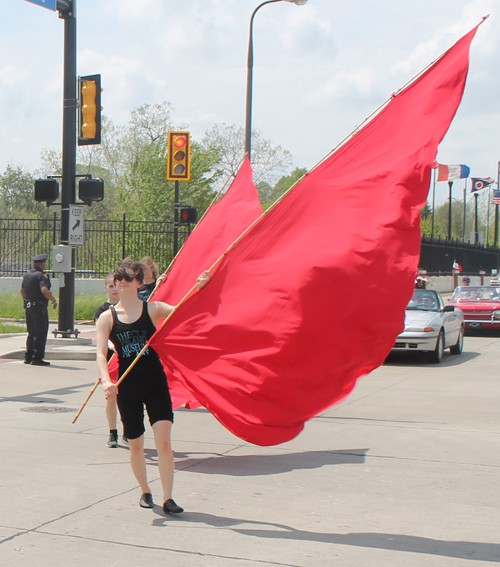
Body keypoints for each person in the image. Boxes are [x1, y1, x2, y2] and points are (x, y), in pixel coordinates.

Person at [96, 258, 210, 514]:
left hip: (155, 382)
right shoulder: (107, 317)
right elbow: (101, 354)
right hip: (128, 387)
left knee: (164, 443)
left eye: (128, 278)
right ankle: (145, 490)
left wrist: (202, 287)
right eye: (119, 278)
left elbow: (185, 309)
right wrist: (106, 379)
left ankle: (168, 498)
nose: (122, 283)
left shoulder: (154, 308)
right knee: (136, 444)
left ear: (139, 282)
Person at [94, 272, 124, 448]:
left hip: (127, 357)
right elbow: (102, 338)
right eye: (110, 285)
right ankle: (112, 432)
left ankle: (129, 429)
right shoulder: (102, 311)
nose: (114, 289)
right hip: (111, 357)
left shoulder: (128, 308)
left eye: (117, 285)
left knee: (128, 397)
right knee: (111, 396)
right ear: (105, 287)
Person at [20, 253, 58, 366]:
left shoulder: (28, 274)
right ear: (41, 263)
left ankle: (28, 356)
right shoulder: (42, 276)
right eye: (45, 262)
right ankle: (37, 358)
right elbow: (44, 290)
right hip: (38, 308)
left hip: (28, 306)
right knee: (40, 332)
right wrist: (53, 300)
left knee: (31, 332)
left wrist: (26, 301)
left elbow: (22, 290)